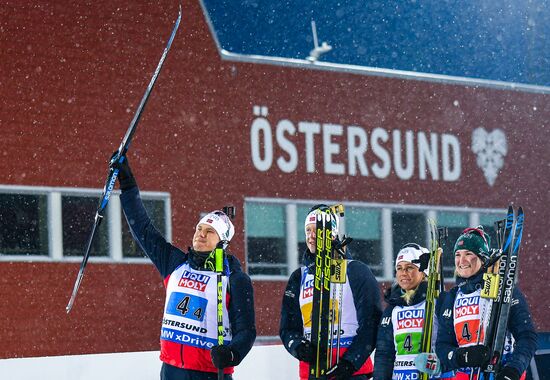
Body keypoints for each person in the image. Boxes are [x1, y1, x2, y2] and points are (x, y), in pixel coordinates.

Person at [115, 155, 256, 380]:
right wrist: (127, 183)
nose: (200, 234)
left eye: (209, 232)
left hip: (209, 373)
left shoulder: (235, 279)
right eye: (199, 229)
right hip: (171, 370)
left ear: (223, 241)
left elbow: (247, 331)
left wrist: (232, 354)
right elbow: (142, 229)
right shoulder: (175, 264)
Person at [279, 204, 382, 380]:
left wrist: (350, 363)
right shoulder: (299, 277)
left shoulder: (355, 271)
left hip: (351, 373)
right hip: (313, 371)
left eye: (316, 230)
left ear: (331, 233)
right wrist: (298, 347)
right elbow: (288, 327)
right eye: (307, 230)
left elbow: (371, 324)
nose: (311, 236)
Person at [434, 226, 537, 380]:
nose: (461, 261)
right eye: (457, 254)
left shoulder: (504, 289)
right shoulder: (452, 297)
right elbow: (442, 346)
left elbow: (527, 337)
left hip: (499, 373)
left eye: (468, 254)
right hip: (464, 375)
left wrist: (513, 370)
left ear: (482, 258)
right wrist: (462, 356)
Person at [374, 243, 438, 379]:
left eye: (410, 268)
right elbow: (384, 353)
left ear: (423, 271)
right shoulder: (393, 308)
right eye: (399, 268)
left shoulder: (436, 302)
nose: (403, 273)